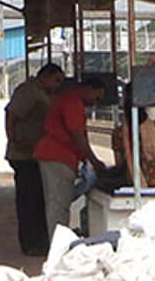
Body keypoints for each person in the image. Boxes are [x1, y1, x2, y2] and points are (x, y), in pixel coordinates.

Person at [34, 75, 108, 239]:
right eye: (96, 97)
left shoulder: (69, 99)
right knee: (59, 206)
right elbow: (78, 136)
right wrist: (94, 162)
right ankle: (58, 246)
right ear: (89, 88)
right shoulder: (72, 103)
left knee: (56, 203)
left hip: (55, 155)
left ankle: (57, 241)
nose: (94, 103)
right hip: (58, 156)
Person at [5, 63, 65, 255]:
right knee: (28, 200)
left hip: (35, 152)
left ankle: (40, 241)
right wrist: (13, 138)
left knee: (38, 199)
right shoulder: (29, 91)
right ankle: (31, 244)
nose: (58, 85)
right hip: (23, 154)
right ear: (45, 76)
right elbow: (12, 114)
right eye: (56, 80)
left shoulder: (46, 94)